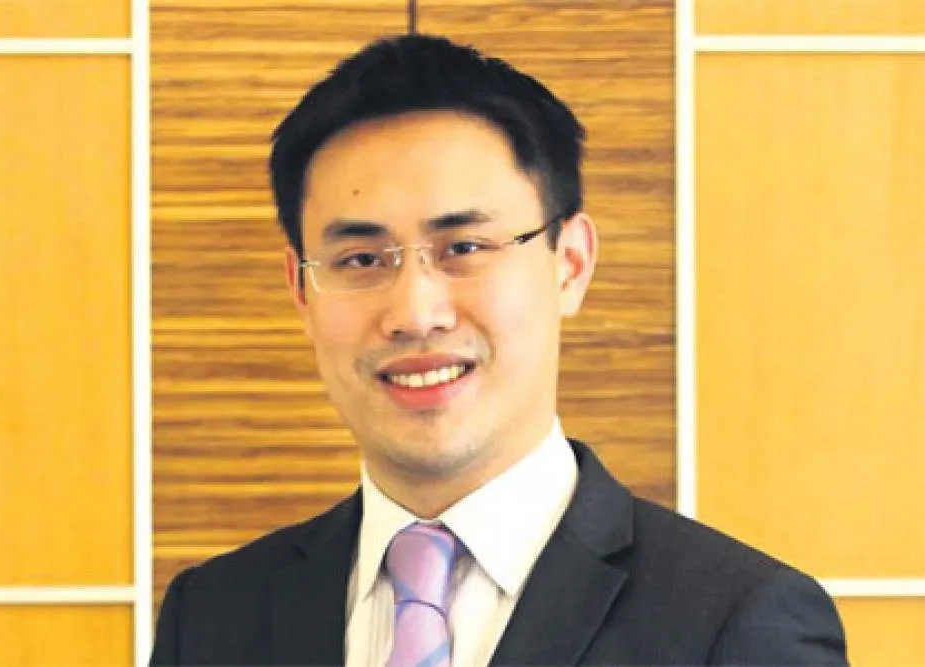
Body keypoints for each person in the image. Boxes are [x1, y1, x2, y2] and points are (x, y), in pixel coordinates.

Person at [150, 34, 848, 666]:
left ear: (569, 264)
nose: (414, 313)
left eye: (464, 247)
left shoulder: (739, 625)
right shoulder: (211, 618)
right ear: (301, 289)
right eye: (361, 259)